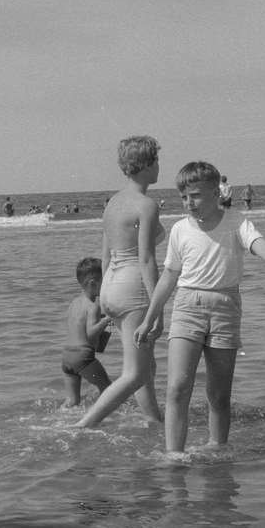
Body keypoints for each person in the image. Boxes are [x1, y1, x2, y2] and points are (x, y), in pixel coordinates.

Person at [135, 161, 265, 456]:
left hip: (225, 308)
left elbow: (256, 242)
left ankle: (217, 449)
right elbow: (169, 275)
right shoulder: (180, 229)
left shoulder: (235, 221)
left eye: (195, 195)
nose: (189, 202)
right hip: (187, 307)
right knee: (177, 387)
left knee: (219, 394)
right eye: (184, 197)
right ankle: (174, 455)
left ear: (216, 192)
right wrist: (150, 317)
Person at [76, 136, 164, 428]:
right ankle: (84, 425)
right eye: (156, 161)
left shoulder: (113, 203)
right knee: (135, 373)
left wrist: (103, 297)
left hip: (111, 286)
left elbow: (106, 254)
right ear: (146, 165)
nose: (159, 166)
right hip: (133, 287)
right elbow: (146, 259)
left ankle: (154, 422)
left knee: (145, 366)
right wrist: (158, 309)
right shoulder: (146, 205)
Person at [62, 257, 113, 407]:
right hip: (82, 357)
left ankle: (59, 418)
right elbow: (90, 335)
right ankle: (102, 416)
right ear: (93, 283)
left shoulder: (74, 303)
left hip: (67, 357)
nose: (107, 287)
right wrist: (107, 319)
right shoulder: (93, 307)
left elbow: (76, 327)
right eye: (104, 282)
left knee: (72, 401)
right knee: (108, 390)